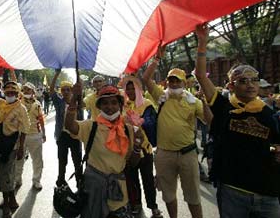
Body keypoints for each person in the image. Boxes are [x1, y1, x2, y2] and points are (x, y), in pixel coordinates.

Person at [195, 23, 280, 218]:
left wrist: (275, 151)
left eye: (254, 79)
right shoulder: (224, 106)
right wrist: (202, 42)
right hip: (233, 191)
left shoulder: (269, 114)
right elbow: (200, 75)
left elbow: (275, 144)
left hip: (267, 193)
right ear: (231, 86)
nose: (250, 84)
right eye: (243, 80)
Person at [142, 47, 210, 218]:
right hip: (164, 154)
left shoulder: (194, 101)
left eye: (177, 81)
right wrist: (156, 58)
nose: (174, 84)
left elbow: (209, 121)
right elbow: (146, 78)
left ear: (184, 83)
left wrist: (205, 102)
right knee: (168, 194)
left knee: (193, 196)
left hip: (187, 154)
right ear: (166, 82)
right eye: (171, 81)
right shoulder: (161, 96)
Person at [65, 82, 143, 218]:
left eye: (114, 102)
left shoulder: (128, 129)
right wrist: (73, 99)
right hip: (93, 190)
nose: (110, 107)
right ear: (99, 106)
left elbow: (133, 163)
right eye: (105, 103)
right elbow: (70, 126)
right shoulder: (91, 126)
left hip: (119, 193)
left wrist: (137, 145)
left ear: (120, 105)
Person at [0, 81, 29, 218]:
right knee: (3, 173)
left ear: (17, 94)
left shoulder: (21, 108)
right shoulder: (2, 104)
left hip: (13, 146)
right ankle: (12, 200)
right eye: (8, 93)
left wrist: (21, 148)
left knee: (5, 174)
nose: (10, 95)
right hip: (0, 144)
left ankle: (6, 204)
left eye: (13, 93)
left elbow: (24, 130)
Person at [122, 76, 162, 218]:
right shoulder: (122, 105)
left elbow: (152, 124)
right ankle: (136, 205)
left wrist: (140, 122)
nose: (131, 91)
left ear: (139, 89)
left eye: (133, 88)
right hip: (128, 151)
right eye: (128, 88)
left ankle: (153, 207)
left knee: (148, 180)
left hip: (145, 149)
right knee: (132, 180)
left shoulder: (146, 104)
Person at [50, 70, 84, 188]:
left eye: (68, 89)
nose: (65, 92)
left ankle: (80, 182)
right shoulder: (59, 102)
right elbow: (51, 90)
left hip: (75, 135)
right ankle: (60, 181)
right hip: (62, 136)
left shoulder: (78, 103)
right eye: (63, 90)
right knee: (62, 161)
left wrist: (78, 73)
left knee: (77, 161)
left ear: (72, 91)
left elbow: (80, 89)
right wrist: (56, 74)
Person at [15, 82, 46, 190]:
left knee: (37, 160)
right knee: (19, 159)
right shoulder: (18, 102)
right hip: (21, 135)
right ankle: (17, 180)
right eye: (24, 90)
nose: (26, 92)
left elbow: (41, 119)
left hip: (35, 135)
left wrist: (44, 133)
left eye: (28, 90)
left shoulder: (37, 104)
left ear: (33, 91)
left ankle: (36, 180)